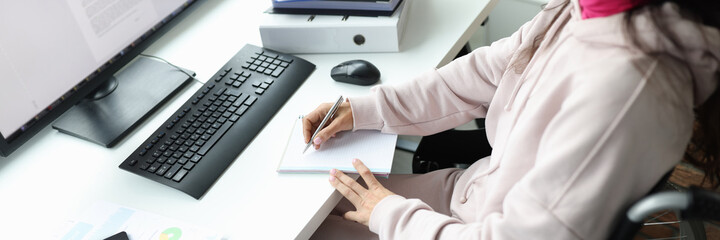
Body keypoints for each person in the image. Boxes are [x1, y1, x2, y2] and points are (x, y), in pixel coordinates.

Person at [304, 0, 720, 239]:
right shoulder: (585, 10)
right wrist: (365, 109)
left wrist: (390, 215)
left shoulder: (627, 88)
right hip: (470, 199)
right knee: (308, 205)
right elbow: (487, 72)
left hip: (481, 226)